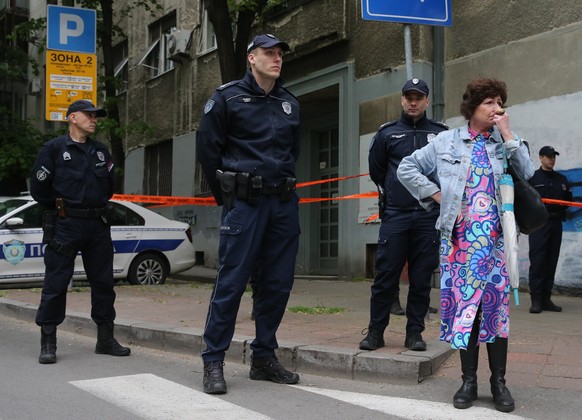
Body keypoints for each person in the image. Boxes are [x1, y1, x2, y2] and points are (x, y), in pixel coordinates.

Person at [398, 78, 534, 412]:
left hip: (497, 244)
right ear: (472, 106)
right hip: (459, 244)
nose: (496, 108)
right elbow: (407, 167)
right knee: (467, 313)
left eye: (500, 102)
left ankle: (498, 382)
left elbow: (528, 173)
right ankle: (468, 381)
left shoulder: (509, 142)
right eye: (489, 102)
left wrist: (507, 136)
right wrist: (438, 195)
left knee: (496, 313)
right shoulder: (446, 141)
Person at [196, 34, 301, 395]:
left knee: (277, 283)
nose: (276, 59)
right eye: (268, 54)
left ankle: (263, 358)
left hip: (283, 205)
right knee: (232, 282)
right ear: (251, 59)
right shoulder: (227, 98)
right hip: (245, 203)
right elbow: (208, 151)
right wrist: (228, 197)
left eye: (279, 54)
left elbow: (292, 153)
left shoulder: (290, 102)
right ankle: (213, 360)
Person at [30, 99, 130, 364]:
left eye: (96, 116)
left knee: (104, 283)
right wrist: (60, 208)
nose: (94, 119)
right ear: (73, 118)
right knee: (56, 283)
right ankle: (48, 342)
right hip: (65, 224)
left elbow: (108, 187)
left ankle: (106, 339)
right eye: (89, 115)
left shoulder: (100, 151)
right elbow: (38, 190)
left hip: (97, 224)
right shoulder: (53, 149)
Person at [361, 78, 448, 352]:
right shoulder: (388, 133)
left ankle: (414, 334)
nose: (413, 102)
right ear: (402, 100)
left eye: (418, 97)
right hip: (396, 215)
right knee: (385, 277)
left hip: (427, 217)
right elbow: (377, 170)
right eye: (408, 97)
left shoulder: (441, 134)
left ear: (426, 101)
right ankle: (375, 332)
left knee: (422, 278)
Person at [527, 146, 572, 314]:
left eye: (553, 156)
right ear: (540, 158)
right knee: (538, 261)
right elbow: (526, 200)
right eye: (547, 156)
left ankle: (546, 298)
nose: (551, 159)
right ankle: (536, 300)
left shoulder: (562, 179)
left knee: (551, 261)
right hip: (539, 224)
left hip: (555, 223)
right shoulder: (533, 178)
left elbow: (568, 200)